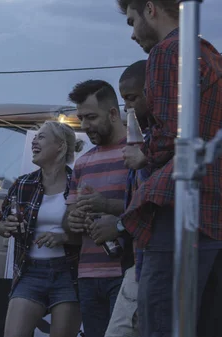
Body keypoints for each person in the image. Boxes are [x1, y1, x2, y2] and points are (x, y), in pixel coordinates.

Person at [117, 1, 222, 336]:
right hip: (212, 208)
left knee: (160, 318)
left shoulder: (166, 52)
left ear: (150, 9)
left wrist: (141, 156)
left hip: (178, 206)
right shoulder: (208, 53)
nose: (132, 34)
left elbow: (171, 137)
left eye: (132, 21)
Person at [0, 121, 84, 337]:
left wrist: (63, 237)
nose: (34, 140)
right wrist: (3, 227)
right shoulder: (23, 183)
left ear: (61, 146)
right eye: (35, 137)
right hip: (30, 271)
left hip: (68, 273)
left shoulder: (79, 183)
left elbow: (90, 233)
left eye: (41, 137)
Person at [64, 79, 134, 337]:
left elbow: (148, 209)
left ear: (114, 113)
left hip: (126, 272)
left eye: (91, 117)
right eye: (81, 117)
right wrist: (73, 221)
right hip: (88, 275)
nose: (84, 126)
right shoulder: (82, 163)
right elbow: (68, 220)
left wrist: (105, 206)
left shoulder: (137, 154)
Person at [104, 59, 149, 337]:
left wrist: (119, 225)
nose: (127, 108)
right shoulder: (146, 141)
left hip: (152, 262)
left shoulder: (160, 145)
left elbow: (153, 203)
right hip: (138, 260)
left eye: (131, 98)